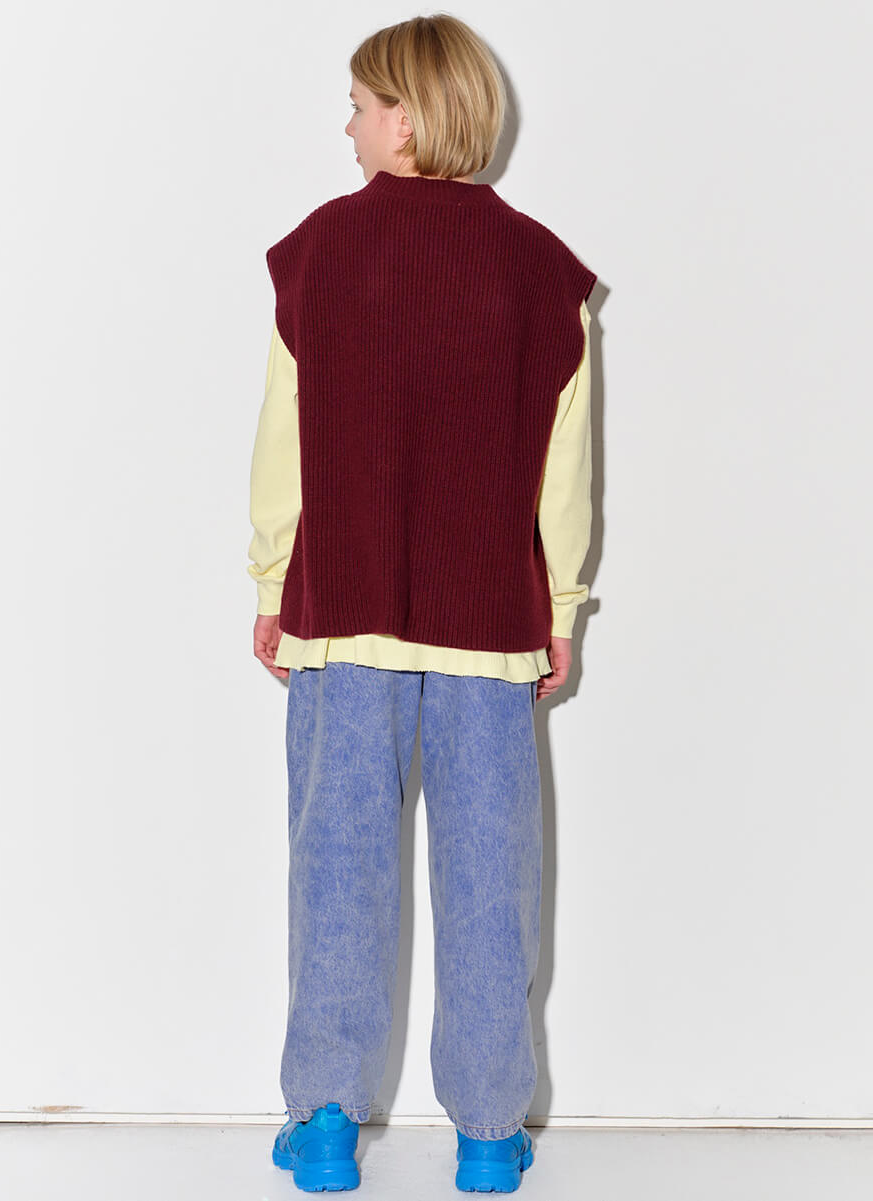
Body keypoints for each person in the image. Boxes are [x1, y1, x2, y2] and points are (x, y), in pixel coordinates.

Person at [249, 14, 596, 1194]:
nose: (345, 124)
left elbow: (282, 448)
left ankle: (326, 1124)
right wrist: (558, 607)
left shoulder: (318, 254)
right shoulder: (542, 271)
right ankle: (491, 1135)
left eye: (357, 104)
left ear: (404, 118)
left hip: (342, 616)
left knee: (337, 864)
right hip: (491, 632)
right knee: (493, 877)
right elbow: (562, 472)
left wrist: (272, 581)